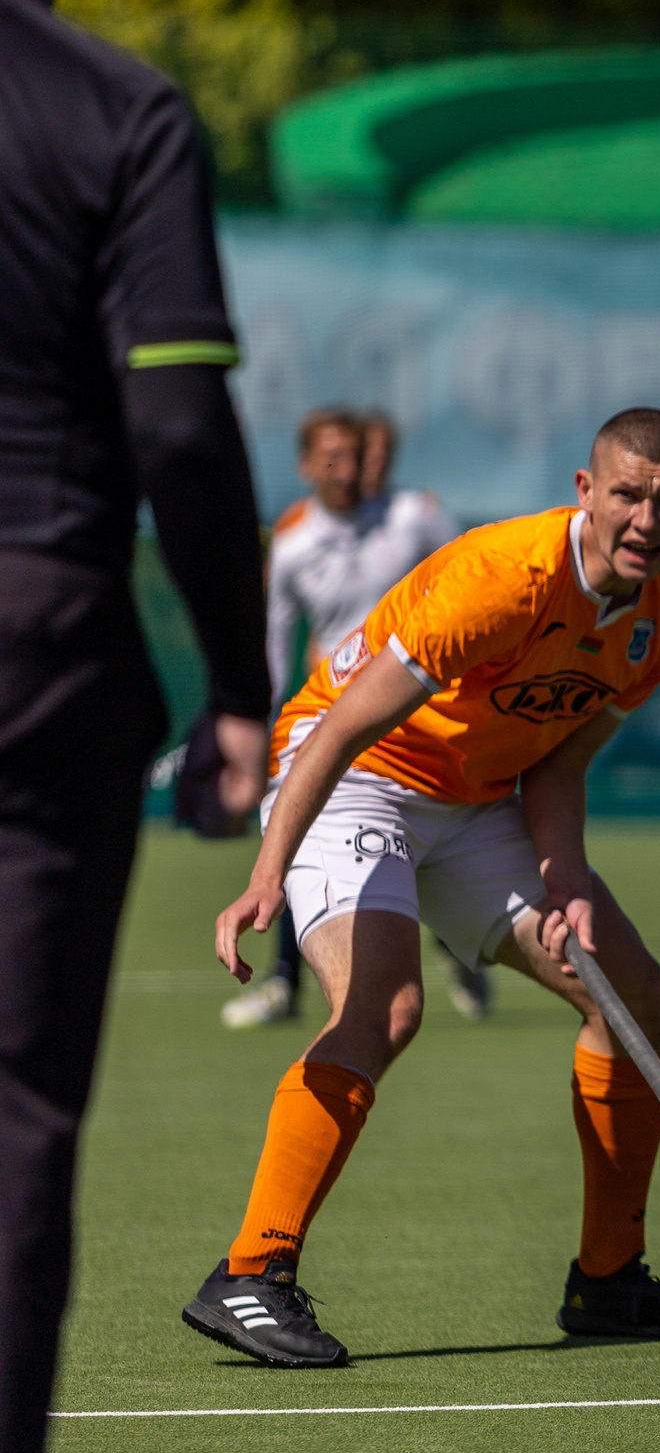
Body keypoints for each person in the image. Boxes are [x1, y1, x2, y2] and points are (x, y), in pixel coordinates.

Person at [187, 409, 660, 1367]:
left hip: (481, 805)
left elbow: (559, 767)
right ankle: (250, 1272)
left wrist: (566, 878)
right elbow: (340, 727)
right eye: (628, 495)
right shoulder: (501, 579)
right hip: (362, 777)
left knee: (632, 991)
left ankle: (608, 1279)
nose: (647, 519)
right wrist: (266, 871)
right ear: (585, 491)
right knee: (387, 1004)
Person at [0, 0, 269, 1453]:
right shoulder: (119, 110)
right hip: (36, 643)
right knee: (16, 1109)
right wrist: (240, 678)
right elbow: (174, 415)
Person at [223, 409, 469, 1030]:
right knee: (292, 836)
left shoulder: (413, 518)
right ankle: (284, 981)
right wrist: (265, 722)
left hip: (414, 713)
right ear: (306, 465)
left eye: (354, 455)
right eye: (328, 457)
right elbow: (275, 640)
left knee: (427, 841)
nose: (344, 469)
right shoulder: (293, 543)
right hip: (328, 714)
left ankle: (459, 943)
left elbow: (469, 579)